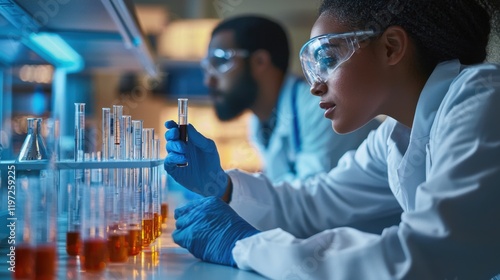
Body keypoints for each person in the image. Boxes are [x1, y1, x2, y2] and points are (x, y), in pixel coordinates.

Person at [164, 0, 500, 279]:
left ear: (392, 47)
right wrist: (223, 186)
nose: (315, 85)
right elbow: (316, 203)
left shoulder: (482, 98)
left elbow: (423, 256)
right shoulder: (393, 136)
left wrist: (245, 244)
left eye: (327, 59)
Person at [201, 15, 380, 183]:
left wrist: (228, 191)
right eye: (207, 66)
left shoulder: (322, 107)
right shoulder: (259, 123)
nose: (208, 80)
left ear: (260, 61)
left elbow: (311, 199)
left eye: (220, 61)